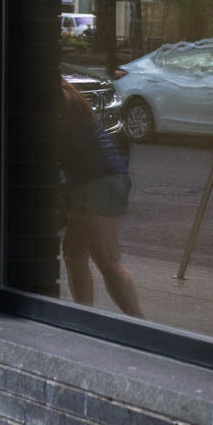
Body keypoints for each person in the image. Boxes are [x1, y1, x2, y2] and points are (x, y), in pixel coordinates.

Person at [58, 80, 142, 317]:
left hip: (98, 182)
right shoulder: (68, 97)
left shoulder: (59, 100)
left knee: (105, 258)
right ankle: (85, 315)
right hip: (103, 180)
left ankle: (139, 324)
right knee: (77, 253)